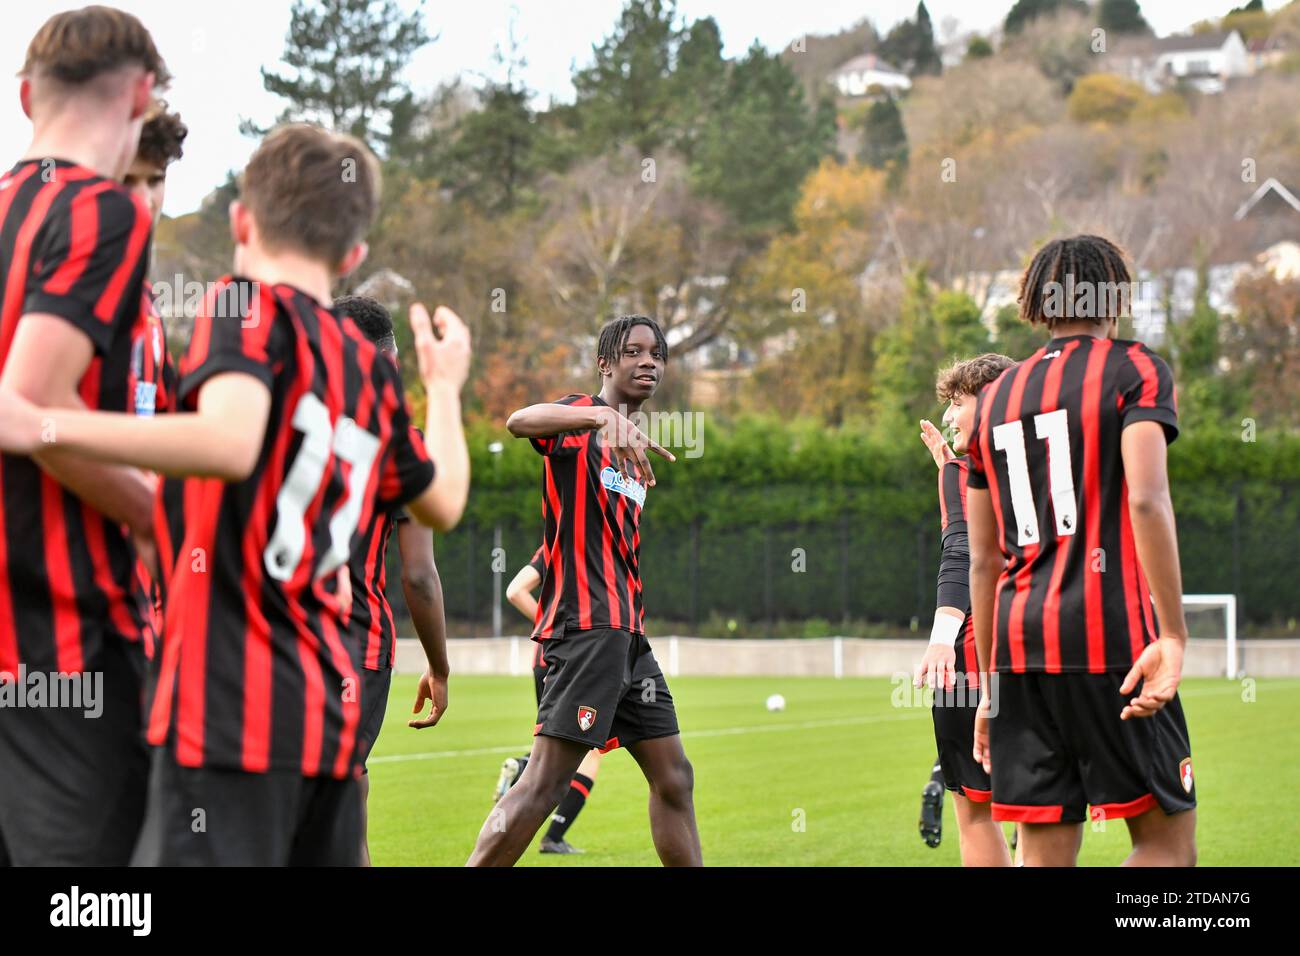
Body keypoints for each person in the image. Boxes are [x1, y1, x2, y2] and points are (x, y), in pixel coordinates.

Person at [0, 123, 473, 866]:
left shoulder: (241, 309)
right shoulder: (372, 373)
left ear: (240, 223)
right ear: (353, 256)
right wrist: (444, 390)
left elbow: (228, 440)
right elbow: (442, 500)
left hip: (229, 719)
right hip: (330, 716)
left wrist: (46, 423)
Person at [966, 234, 1197, 867]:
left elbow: (983, 560)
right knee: (1167, 847)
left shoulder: (994, 399)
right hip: (1112, 642)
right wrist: (1172, 636)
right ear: (1116, 294)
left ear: (1038, 300)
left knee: (1042, 857)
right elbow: (1147, 501)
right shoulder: (1137, 369)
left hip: (1017, 651)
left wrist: (988, 689)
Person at [0, 6, 168, 866]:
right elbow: (28, 408)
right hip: (62, 647)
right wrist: (156, 513)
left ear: (26, 95)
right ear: (141, 95)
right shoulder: (102, 213)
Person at [465, 315, 700, 867]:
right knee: (546, 782)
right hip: (587, 633)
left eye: (657, 354)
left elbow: (587, 535)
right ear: (606, 363)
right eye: (635, 352)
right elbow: (517, 421)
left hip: (627, 638)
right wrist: (596, 416)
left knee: (674, 777)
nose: (649, 362)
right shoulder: (577, 420)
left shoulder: (635, 452)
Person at [335, 294, 450, 866]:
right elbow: (419, 577)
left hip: (271, 635)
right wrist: (440, 666)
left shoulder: (272, 424)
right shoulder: (401, 444)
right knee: (344, 788)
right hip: (358, 640)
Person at [914, 353, 1016, 866]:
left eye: (958, 403)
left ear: (992, 401)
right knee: (1044, 813)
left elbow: (963, 551)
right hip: (1045, 652)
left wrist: (941, 633)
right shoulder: (1042, 459)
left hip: (974, 662)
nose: (950, 417)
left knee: (976, 815)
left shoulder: (965, 471)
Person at [498, 543, 603, 854]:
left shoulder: (553, 545)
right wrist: (561, 629)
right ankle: (553, 836)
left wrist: (549, 627)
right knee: (588, 752)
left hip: (545, 659)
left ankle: (526, 766)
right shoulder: (593, 544)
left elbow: (516, 590)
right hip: (578, 660)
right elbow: (514, 591)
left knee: (562, 747)